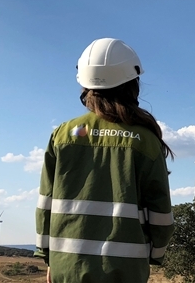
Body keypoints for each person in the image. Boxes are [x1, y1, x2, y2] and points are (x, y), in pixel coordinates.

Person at [34, 38, 175, 283]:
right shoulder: (145, 140)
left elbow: (45, 204)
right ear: (133, 83)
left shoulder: (63, 134)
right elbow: (161, 213)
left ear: (85, 84)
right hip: (125, 270)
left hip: (67, 268)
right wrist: (153, 255)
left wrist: (50, 258)